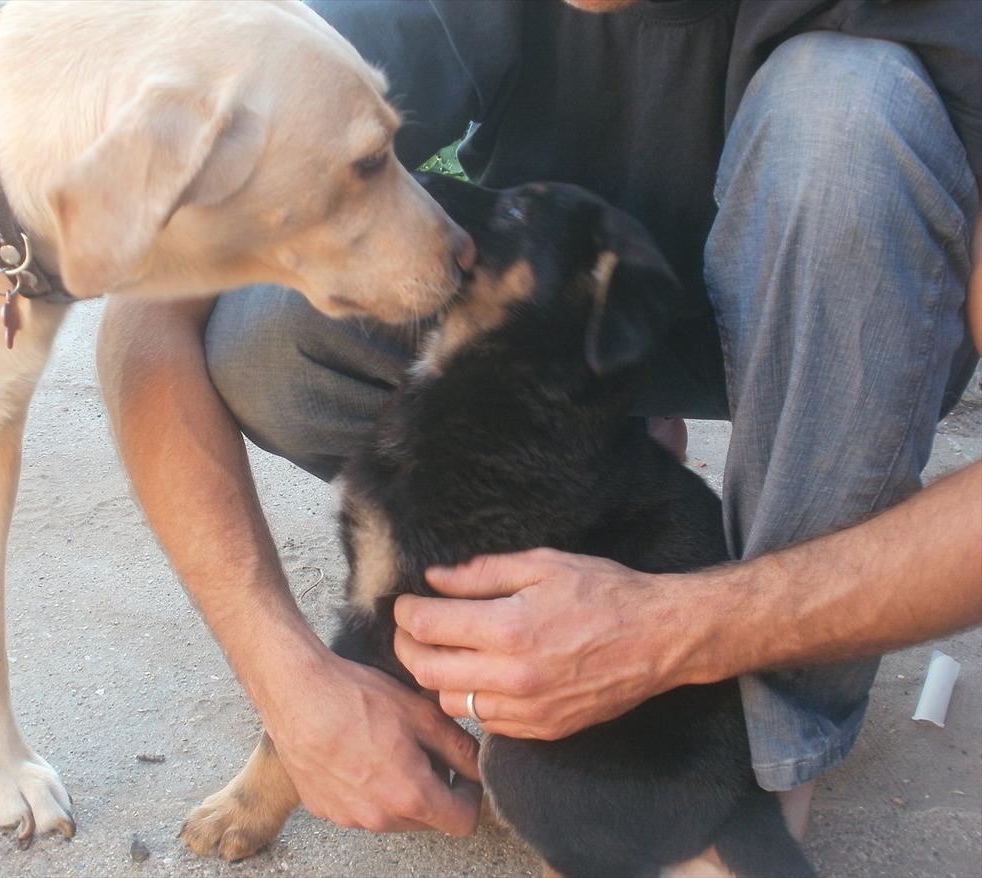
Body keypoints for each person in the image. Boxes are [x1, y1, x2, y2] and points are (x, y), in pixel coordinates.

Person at [97, 0, 982, 843]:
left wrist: (684, 628)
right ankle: (566, 510)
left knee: (846, 111)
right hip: (560, 320)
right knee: (266, 335)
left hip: (844, 318)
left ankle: (761, 763)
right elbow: (150, 300)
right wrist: (289, 682)